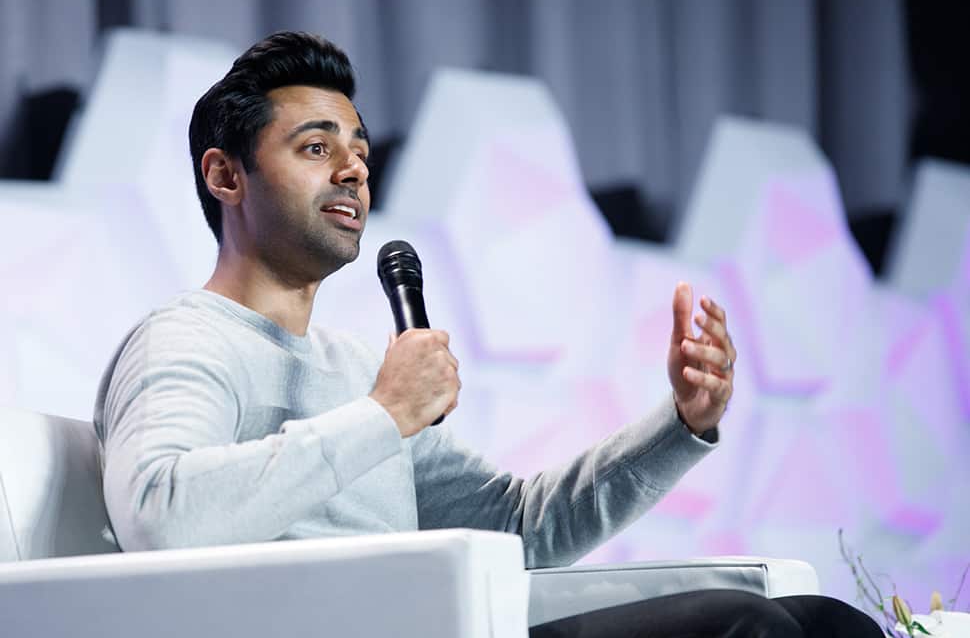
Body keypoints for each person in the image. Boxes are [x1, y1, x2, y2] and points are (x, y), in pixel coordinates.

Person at [94, 31, 881, 637]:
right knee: (744, 626)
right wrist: (384, 414)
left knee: (827, 621)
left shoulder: (358, 368)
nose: (353, 171)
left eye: (360, 151)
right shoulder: (184, 339)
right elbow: (161, 515)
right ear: (226, 175)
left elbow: (517, 527)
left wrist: (682, 424)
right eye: (315, 147)